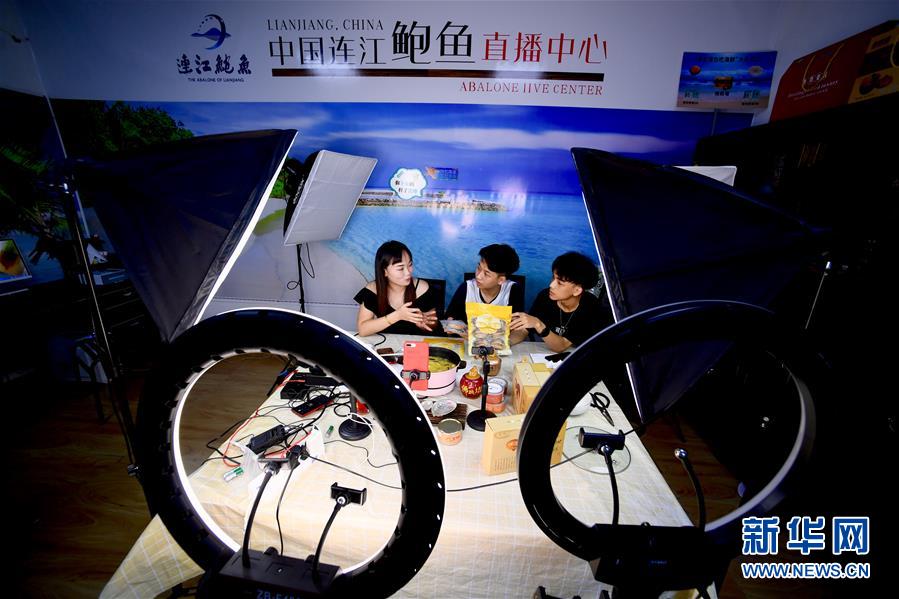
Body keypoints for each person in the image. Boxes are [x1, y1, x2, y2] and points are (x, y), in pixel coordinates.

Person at [510, 251, 612, 352]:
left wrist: (538, 324)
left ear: (577, 290)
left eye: (560, 283)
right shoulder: (545, 296)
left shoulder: (591, 308)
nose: (551, 285)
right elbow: (524, 330)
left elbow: (561, 346)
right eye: (553, 278)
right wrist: (506, 343)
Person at [355, 240, 444, 336]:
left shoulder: (422, 288)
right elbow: (363, 330)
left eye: (410, 265)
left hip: (418, 342)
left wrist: (425, 324)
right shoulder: (373, 290)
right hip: (389, 343)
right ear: (384, 271)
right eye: (400, 268)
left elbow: (435, 327)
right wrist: (398, 315)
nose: (408, 272)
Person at [444, 243, 523, 337]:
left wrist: (505, 343)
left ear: (501, 280)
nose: (478, 276)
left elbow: (520, 329)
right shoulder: (466, 288)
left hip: (498, 344)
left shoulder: (513, 291)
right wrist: (454, 326)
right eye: (479, 268)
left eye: (486, 274)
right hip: (468, 341)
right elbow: (451, 320)